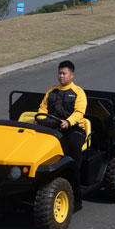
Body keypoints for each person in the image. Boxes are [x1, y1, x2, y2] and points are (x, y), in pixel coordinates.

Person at [35, 60, 87, 205]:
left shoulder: (78, 92)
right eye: (59, 73)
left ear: (72, 75)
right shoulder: (52, 91)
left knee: (73, 146)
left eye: (64, 73)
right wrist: (39, 118)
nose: (61, 76)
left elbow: (79, 112)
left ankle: (75, 183)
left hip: (73, 129)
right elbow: (43, 109)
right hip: (52, 127)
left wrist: (68, 122)